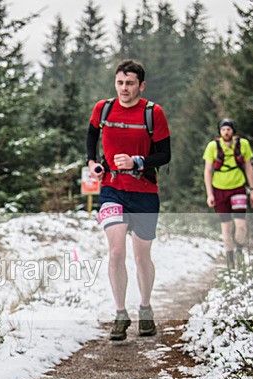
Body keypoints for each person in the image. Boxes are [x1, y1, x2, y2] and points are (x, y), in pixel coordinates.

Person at [85, 60, 171, 341]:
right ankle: (120, 313)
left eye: (130, 83)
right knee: (116, 252)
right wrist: (92, 163)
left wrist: (137, 161)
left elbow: (165, 155)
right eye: (120, 82)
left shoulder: (153, 113)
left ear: (141, 85)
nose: (124, 88)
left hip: (144, 191)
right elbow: (92, 135)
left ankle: (145, 308)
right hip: (112, 189)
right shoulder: (104, 108)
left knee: (141, 255)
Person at [203, 118, 253, 270]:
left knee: (240, 224)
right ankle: (230, 259)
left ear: (233, 130)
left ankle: (239, 251)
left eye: (228, 129)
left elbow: (248, 167)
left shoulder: (243, 144)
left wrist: (252, 190)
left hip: (238, 187)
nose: (226, 132)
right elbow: (207, 170)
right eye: (223, 129)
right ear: (219, 131)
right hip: (219, 189)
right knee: (226, 227)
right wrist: (210, 194)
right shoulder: (212, 146)